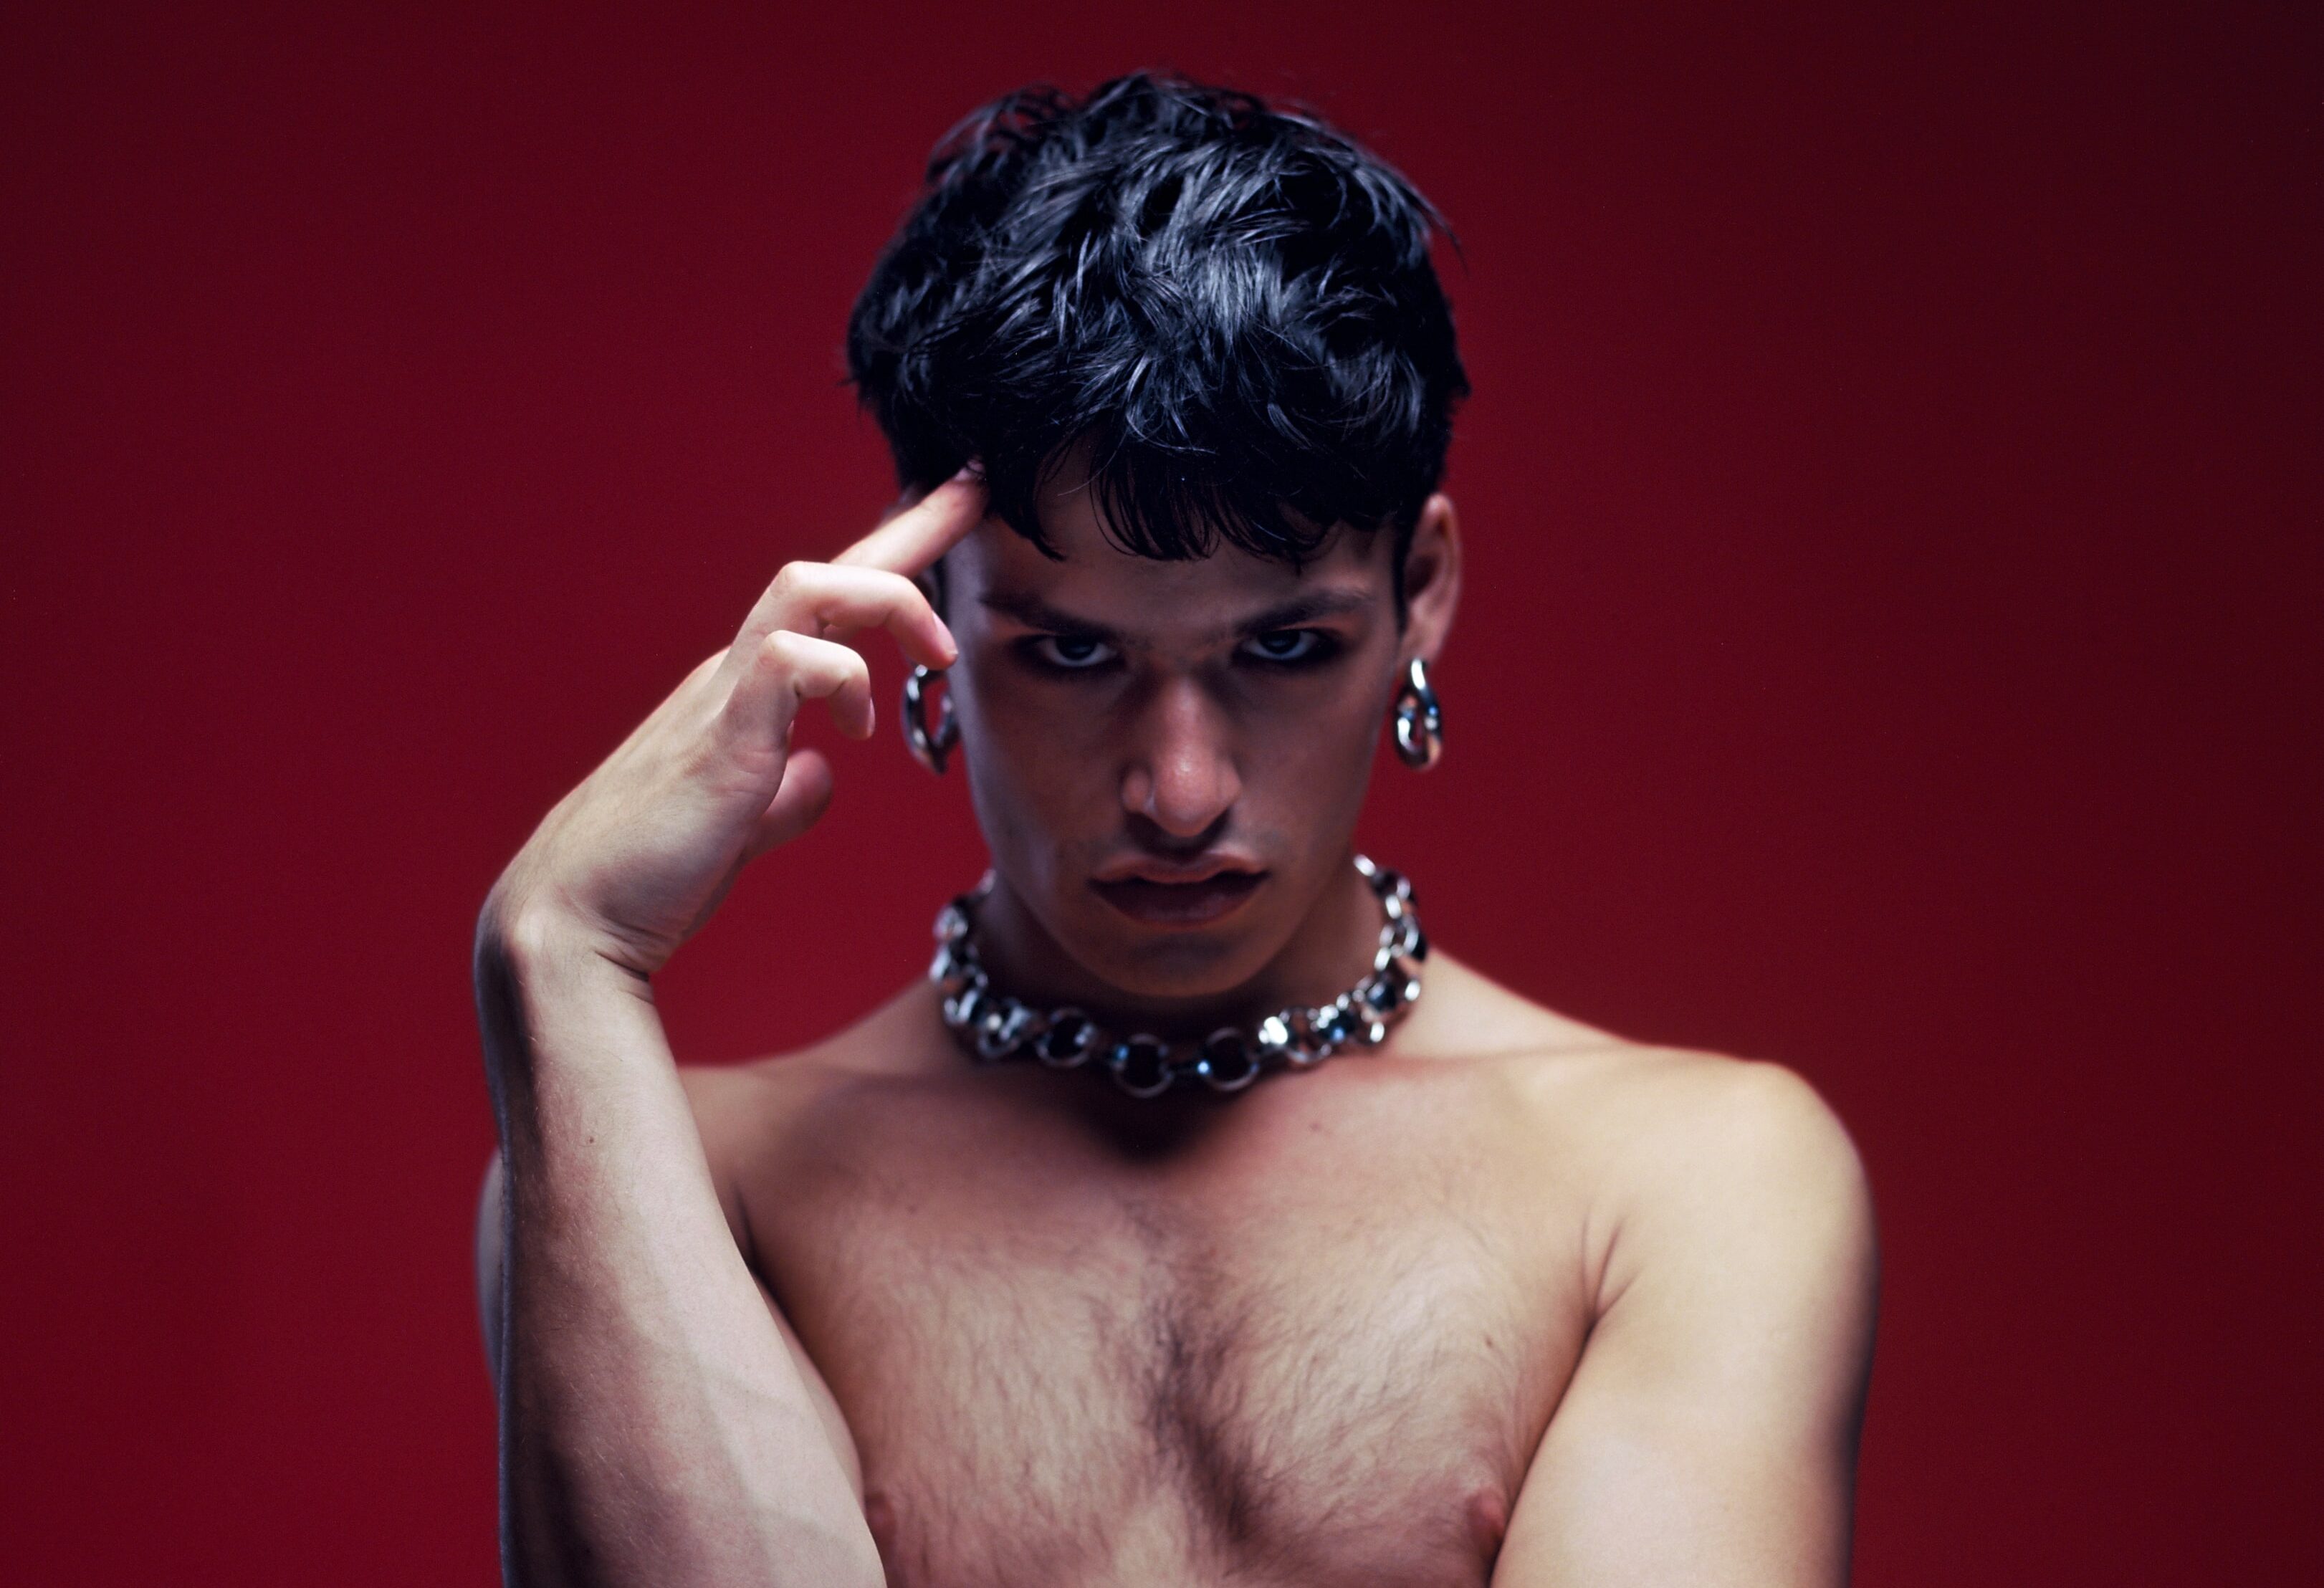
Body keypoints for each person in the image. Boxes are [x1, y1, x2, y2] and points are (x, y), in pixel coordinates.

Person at [472, 74, 1878, 1587]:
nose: (1182, 791)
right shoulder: (679, 1181)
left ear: (1421, 590)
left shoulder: (1682, 1181)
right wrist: (563, 958)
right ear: (921, 599)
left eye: (1283, 649)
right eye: (1073, 653)